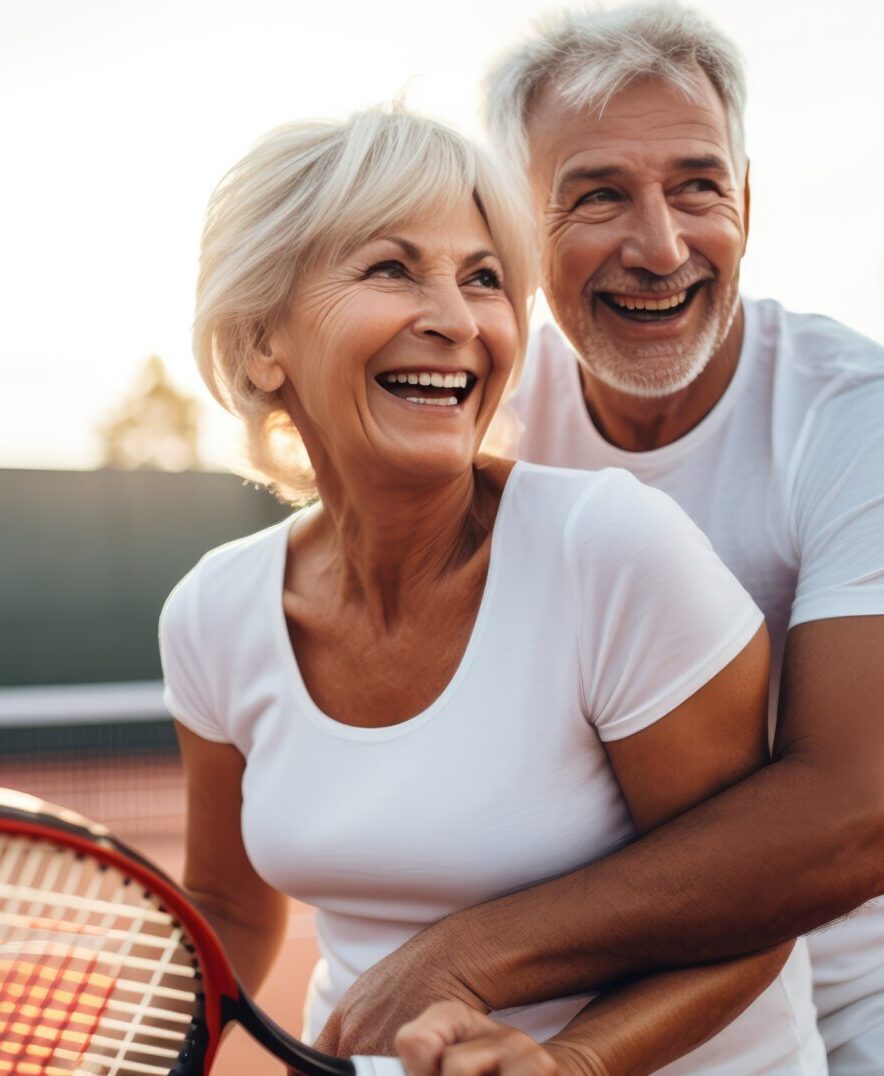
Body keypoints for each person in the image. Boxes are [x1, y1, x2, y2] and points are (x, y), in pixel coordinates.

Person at [160, 106, 827, 1073]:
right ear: (265, 341)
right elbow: (222, 907)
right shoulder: (213, 613)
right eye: (392, 269)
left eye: (485, 280)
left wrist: (574, 1061)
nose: (458, 320)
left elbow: (759, 901)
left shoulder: (610, 550)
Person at [312, 5, 884, 1074]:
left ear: (746, 204)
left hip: (844, 1008)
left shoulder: (857, 418)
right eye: (597, 195)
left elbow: (857, 810)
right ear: (511, 229)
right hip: (530, 1015)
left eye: (697, 186)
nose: (659, 246)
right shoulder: (468, 404)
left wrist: (466, 953)